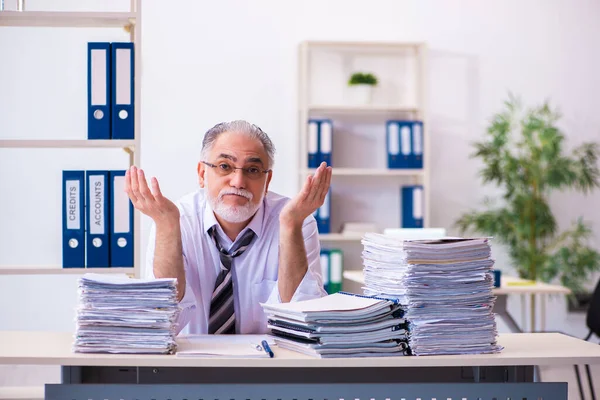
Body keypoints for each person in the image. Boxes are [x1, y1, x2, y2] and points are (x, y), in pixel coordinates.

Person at [125, 120, 332, 335]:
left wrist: (290, 226)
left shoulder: (295, 221)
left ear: (267, 180)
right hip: (189, 364)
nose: (238, 181)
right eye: (225, 166)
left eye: (252, 169)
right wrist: (167, 226)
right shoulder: (175, 219)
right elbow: (163, 321)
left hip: (269, 363)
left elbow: (302, 322)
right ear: (202, 174)